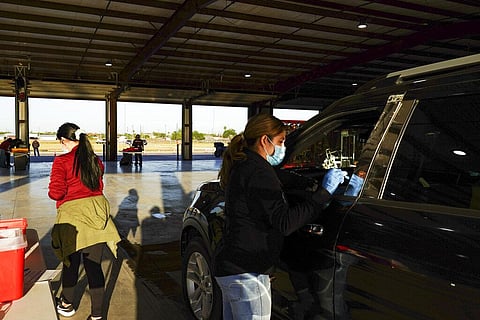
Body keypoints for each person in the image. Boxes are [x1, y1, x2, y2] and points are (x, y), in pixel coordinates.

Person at [213, 114, 346, 320]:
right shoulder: (258, 172)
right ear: (265, 140)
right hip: (247, 273)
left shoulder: (248, 166)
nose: (283, 147)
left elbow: (279, 180)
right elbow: (285, 222)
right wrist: (323, 194)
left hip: (235, 267)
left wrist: (308, 185)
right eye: (281, 141)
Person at [48, 123, 121, 320]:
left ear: (65, 140)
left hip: (73, 216)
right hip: (97, 214)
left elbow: (56, 193)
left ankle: (67, 304)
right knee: (94, 267)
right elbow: (97, 186)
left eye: (61, 141)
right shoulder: (95, 160)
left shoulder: (62, 161)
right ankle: (97, 315)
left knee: (71, 264)